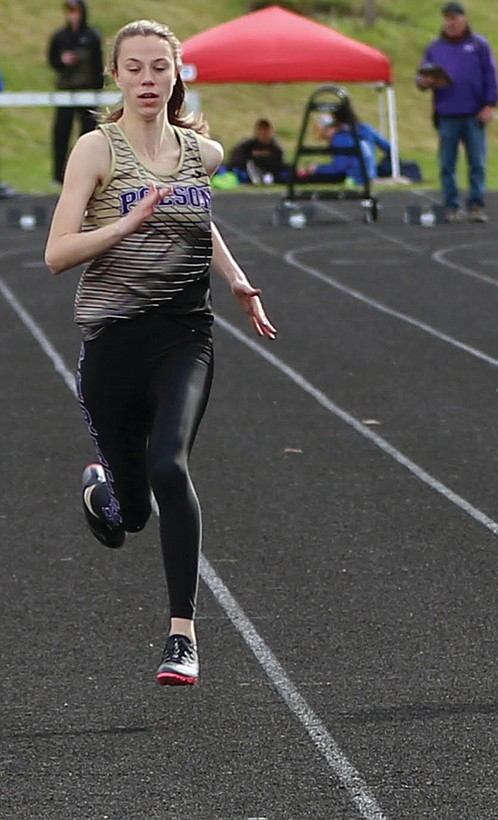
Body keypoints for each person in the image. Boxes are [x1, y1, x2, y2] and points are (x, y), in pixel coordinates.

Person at [43, 19, 278, 687]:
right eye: (135, 68)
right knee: (133, 514)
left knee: (169, 465)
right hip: (112, 344)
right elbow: (57, 254)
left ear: (177, 76)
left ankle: (182, 637)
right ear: (115, 76)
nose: (148, 80)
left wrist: (233, 280)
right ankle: (106, 499)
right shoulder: (95, 151)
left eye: (160, 68)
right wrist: (126, 223)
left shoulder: (204, 153)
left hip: (185, 335)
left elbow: (199, 220)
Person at [415, 1, 498, 223]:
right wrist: (424, 80)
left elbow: (490, 76)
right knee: (446, 164)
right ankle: (451, 205)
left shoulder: (479, 46)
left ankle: (476, 205)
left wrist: (490, 104)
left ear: (464, 19)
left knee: (477, 163)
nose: (450, 23)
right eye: (447, 18)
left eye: (454, 18)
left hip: (474, 114)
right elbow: (421, 76)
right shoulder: (435, 48)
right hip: (446, 114)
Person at [47, 0, 104, 184]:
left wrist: (98, 88)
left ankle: (89, 173)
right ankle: (59, 175)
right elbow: (52, 60)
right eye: (69, 10)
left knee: (89, 134)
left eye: (75, 10)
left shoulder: (92, 36)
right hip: (66, 90)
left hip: (87, 91)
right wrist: (62, 61)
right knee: (61, 132)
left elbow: (98, 64)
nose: (72, 14)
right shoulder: (60, 36)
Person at [227, 117, 288, 184]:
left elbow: (278, 164)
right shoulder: (248, 145)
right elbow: (236, 160)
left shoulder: (276, 148)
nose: (263, 133)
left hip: (270, 173)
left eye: (266, 130)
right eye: (261, 130)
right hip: (248, 172)